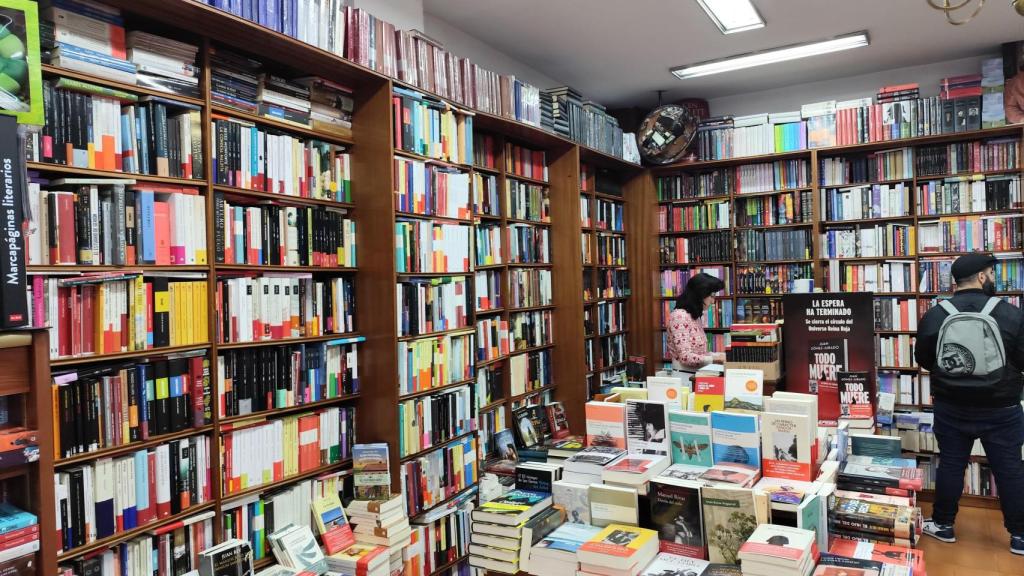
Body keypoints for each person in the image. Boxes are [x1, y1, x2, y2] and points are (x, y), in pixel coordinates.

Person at [915, 253, 1024, 555]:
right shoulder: (1011, 314)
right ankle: (1020, 536)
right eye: (991, 272)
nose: (993, 278)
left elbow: (924, 359)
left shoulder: (936, 314)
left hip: (951, 406)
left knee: (951, 464)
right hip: (1002, 408)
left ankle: (943, 525)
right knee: (1010, 469)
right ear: (981, 276)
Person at [666, 272, 726, 376]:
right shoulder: (679, 317)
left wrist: (720, 355)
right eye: (711, 296)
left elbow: (700, 353)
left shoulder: (693, 315)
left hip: (697, 374)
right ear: (700, 295)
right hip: (686, 377)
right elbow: (686, 357)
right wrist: (716, 358)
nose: (713, 301)